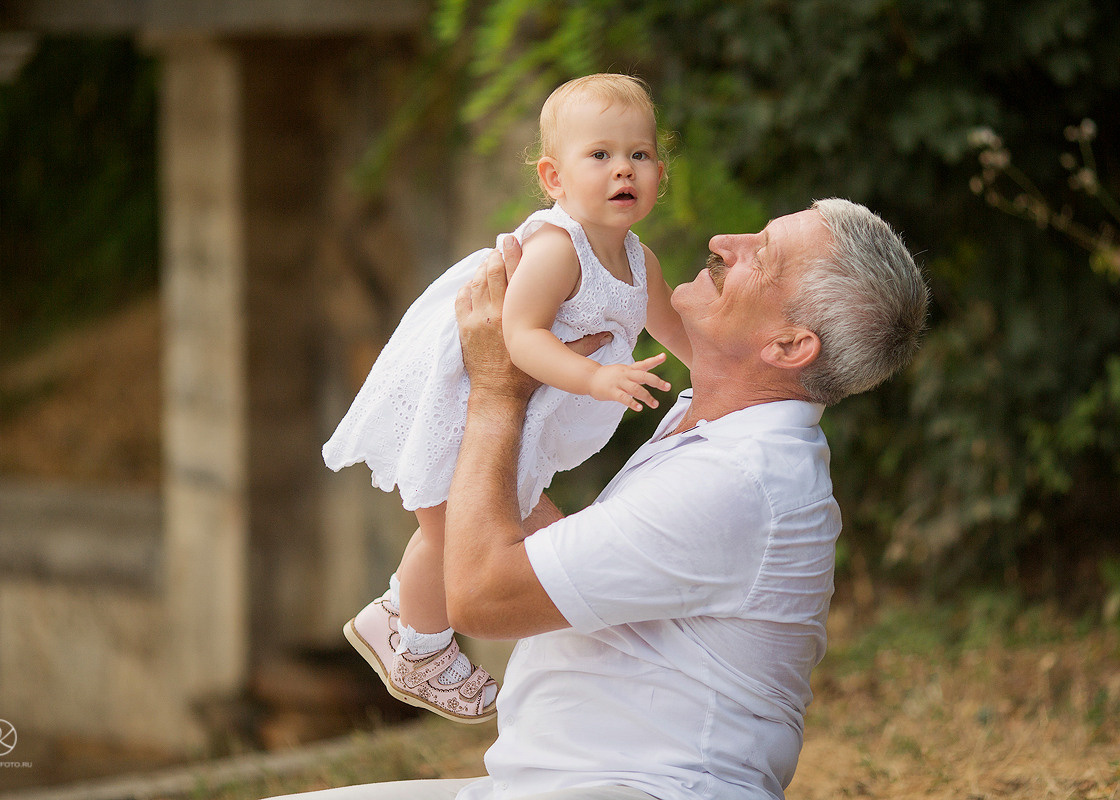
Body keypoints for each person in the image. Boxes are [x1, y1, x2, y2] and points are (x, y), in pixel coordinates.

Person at [272, 196, 928, 799]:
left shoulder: (740, 479)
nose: (725, 242)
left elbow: (481, 596)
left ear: (789, 345)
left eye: (764, 255)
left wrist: (497, 391)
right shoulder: (715, 429)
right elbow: (558, 561)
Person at [323, 74, 687, 723]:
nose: (623, 169)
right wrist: (595, 379)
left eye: (639, 154)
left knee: (490, 519)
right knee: (452, 527)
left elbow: (674, 328)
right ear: (554, 178)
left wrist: (718, 370)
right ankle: (420, 649)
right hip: (465, 397)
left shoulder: (640, 261)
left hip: (521, 413)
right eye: (599, 155)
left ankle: (397, 614)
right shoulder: (557, 249)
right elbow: (519, 338)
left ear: (660, 172)